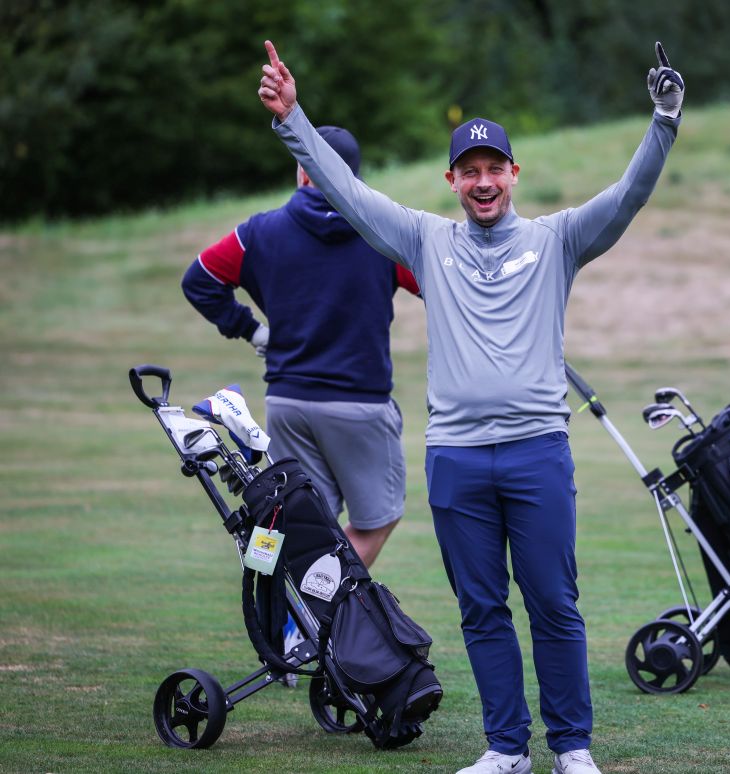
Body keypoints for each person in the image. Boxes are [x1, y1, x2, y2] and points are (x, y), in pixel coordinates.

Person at [257, 39, 684, 774]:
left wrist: (665, 119)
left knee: (553, 604)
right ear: (452, 180)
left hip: (536, 453)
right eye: (470, 172)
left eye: (495, 169)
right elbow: (348, 193)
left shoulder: (558, 239)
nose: (484, 183)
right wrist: (294, 119)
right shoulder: (426, 240)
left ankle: (572, 747)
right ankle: (506, 748)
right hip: (455, 458)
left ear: (514, 174)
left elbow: (628, 196)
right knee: (482, 609)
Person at [182, 125, 420, 570]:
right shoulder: (383, 234)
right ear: (353, 177)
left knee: (306, 524)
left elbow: (200, 281)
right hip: (360, 405)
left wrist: (253, 332)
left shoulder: (259, 232)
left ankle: (297, 609)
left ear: (304, 172)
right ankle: (322, 603)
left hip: (287, 402)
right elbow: (440, 287)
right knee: (377, 519)